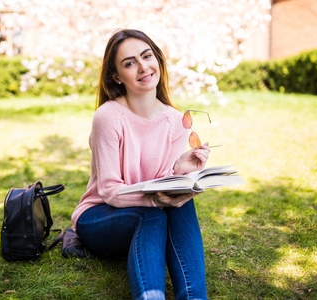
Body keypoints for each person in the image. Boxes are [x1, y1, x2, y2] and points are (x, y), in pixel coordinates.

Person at [71, 29, 210, 300]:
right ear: (116, 77)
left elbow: (158, 180)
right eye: (129, 63)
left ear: (157, 59)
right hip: (100, 217)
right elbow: (110, 190)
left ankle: (194, 297)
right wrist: (157, 201)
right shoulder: (108, 117)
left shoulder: (175, 121)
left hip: (146, 214)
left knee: (180, 203)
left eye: (147, 56)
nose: (143, 67)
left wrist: (180, 170)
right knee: (153, 213)